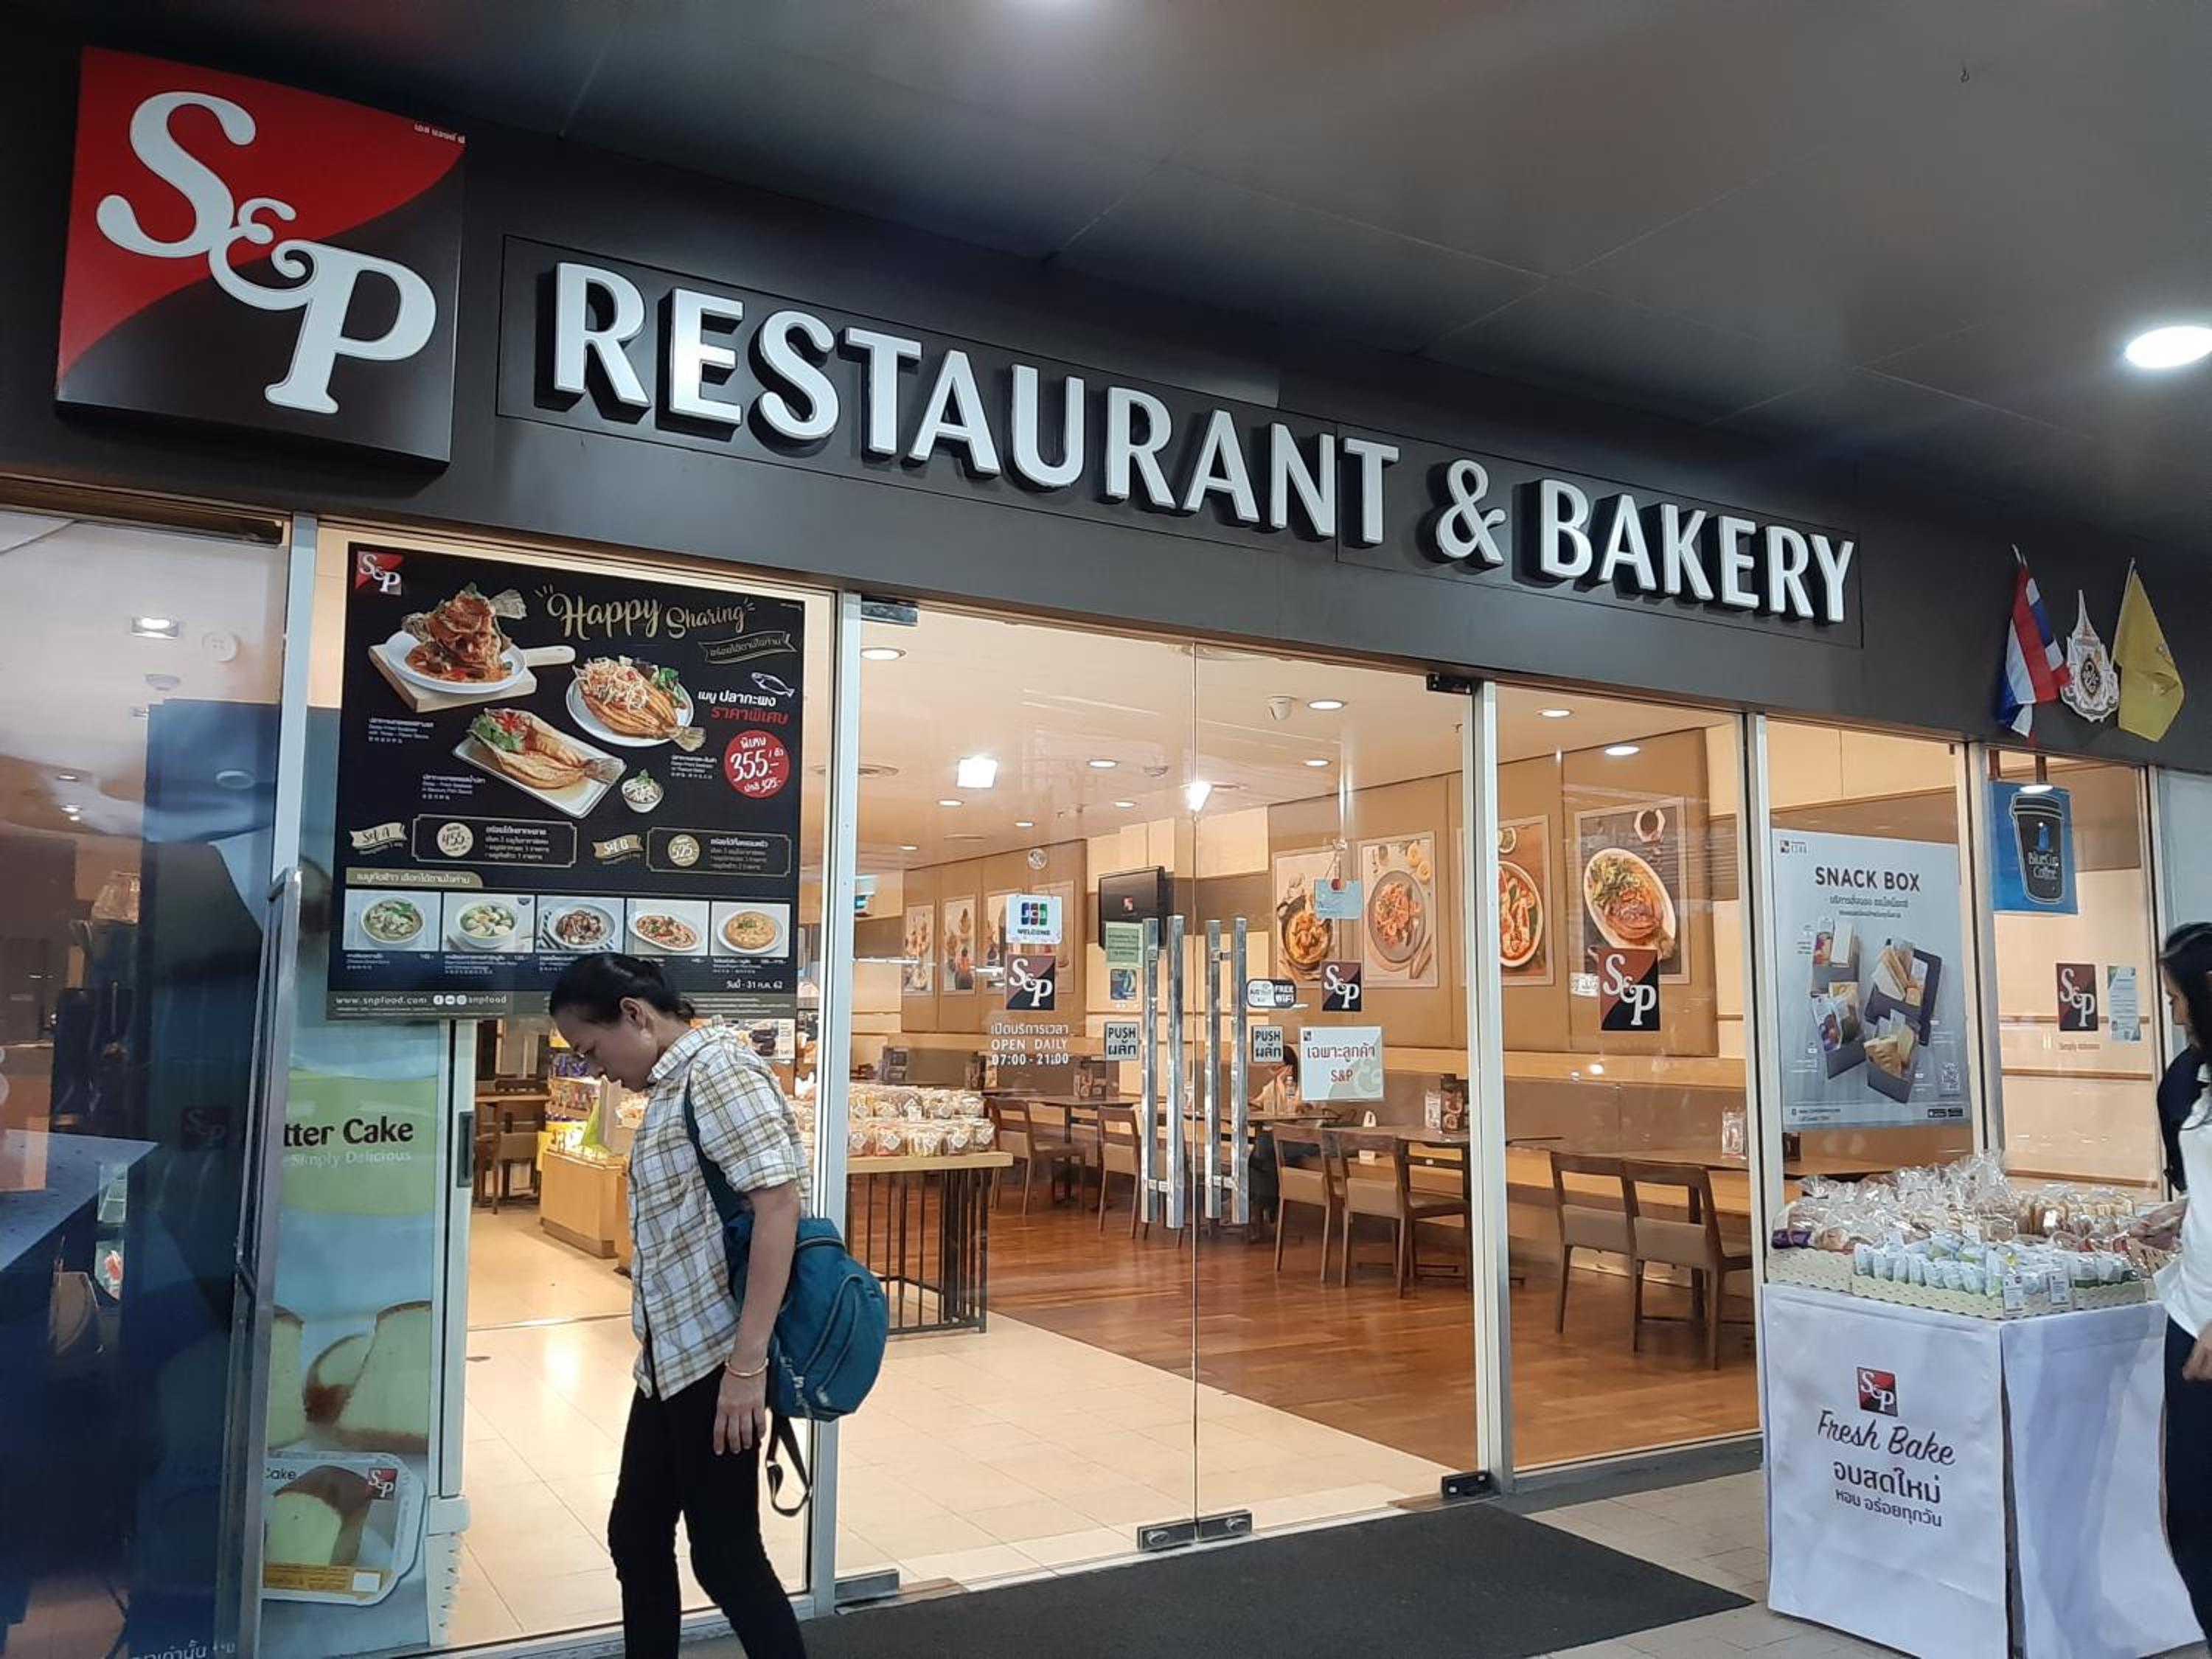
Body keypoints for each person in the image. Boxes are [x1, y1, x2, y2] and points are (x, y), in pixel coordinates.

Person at [549, 954, 808, 1659]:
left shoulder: (719, 1071)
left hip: (718, 1362)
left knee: (725, 1557)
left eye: (592, 1050)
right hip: (669, 1363)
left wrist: (747, 1367)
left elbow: (779, 1207)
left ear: (634, 1014)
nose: (597, 1070)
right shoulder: (673, 1083)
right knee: (636, 1535)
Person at [2153, 922, 2212, 1638]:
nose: (2172, 1014)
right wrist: (2179, 1215)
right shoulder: (2186, 1078)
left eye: (2177, 998)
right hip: (2190, 1314)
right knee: (2192, 1515)